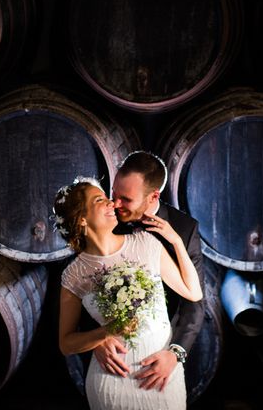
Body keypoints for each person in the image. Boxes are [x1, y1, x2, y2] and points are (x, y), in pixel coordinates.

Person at [55, 176, 202, 410]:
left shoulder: (146, 243)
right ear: (82, 219)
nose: (112, 203)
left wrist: (175, 241)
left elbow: (193, 293)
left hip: (161, 377)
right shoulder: (73, 275)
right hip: (111, 382)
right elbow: (66, 344)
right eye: (99, 200)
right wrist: (104, 334)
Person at [95, 151, 205, 391]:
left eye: (126, 199)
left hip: (160, 357)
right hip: (111, 361)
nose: (115, 204)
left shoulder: (184, 229)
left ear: (153, 196)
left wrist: (175, 354)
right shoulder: (103, 221)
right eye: (113, 193)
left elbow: (194, 304)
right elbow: (82, 290)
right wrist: (94, 341)